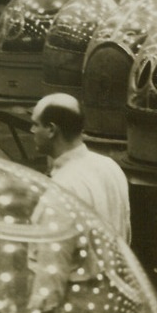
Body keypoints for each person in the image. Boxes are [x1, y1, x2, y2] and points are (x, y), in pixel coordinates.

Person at [30, 92, 131, 244]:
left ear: (51, 130)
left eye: (36, 124)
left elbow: (50, 255)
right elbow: (125, 232)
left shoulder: (61, 188)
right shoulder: (110, 166)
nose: (32, 130)